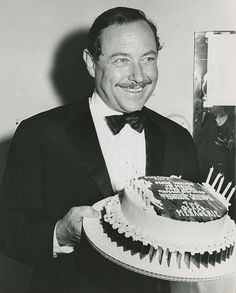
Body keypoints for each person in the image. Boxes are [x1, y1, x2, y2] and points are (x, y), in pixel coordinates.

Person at [0, 7, 201, 293]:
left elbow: (189, 237)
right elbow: (7, 227)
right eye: (121, 60)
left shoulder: (178, 138)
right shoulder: (39, 134)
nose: (138, 76)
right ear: (91, 63)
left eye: (148, 59)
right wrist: (60, 233)